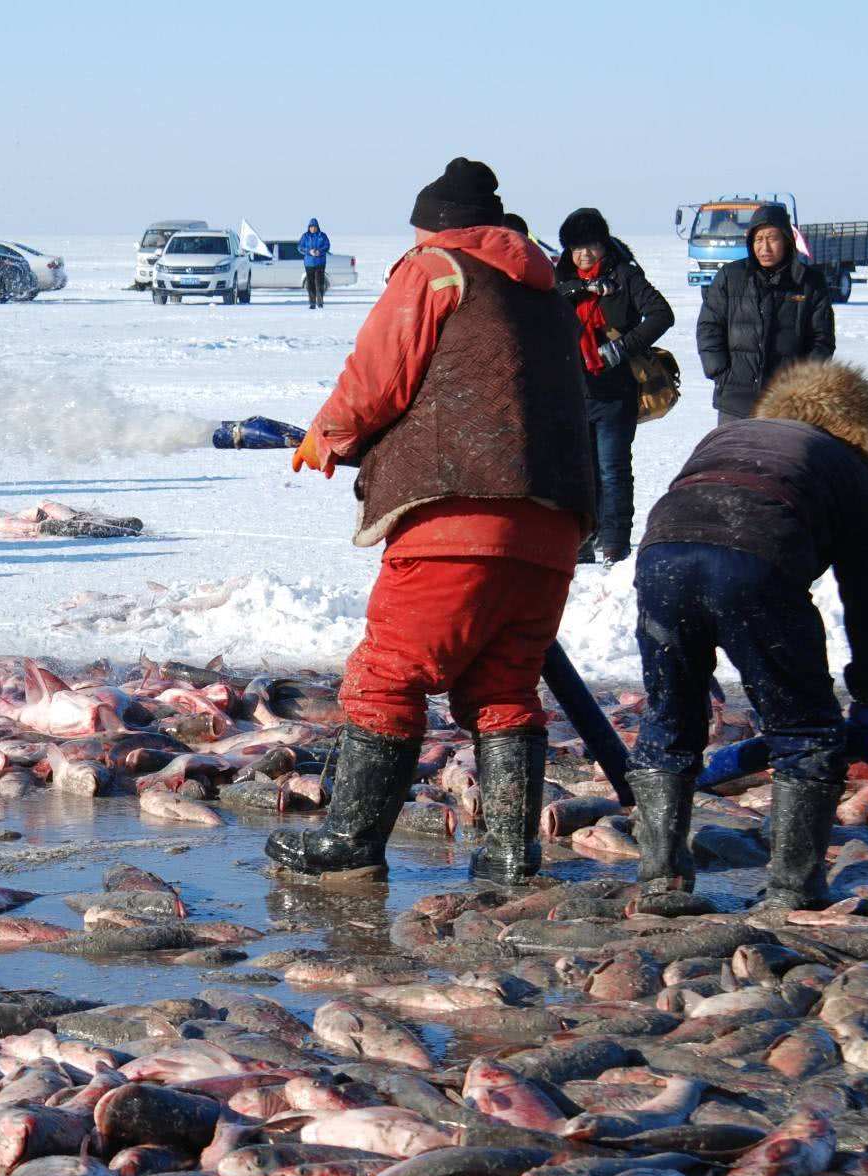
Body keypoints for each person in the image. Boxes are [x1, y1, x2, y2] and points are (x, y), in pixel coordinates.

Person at [266, 158, 594, 886]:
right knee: (505, 687)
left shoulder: (437, 268)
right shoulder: (544, 288)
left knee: (387, 676)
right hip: (554, 523)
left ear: (438, 227)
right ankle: (509, 854)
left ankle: (352, 842)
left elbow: (378, 374)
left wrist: (329, 435)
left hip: (457, 514)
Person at [625, 360, 868, 912]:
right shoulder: (845, 463)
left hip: (662, 555)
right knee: (805, 730)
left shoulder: (729, 434)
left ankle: (661, 881)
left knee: (669, 719)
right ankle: (793, 890)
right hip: (754, 561)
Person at [555, 208, 674, 564]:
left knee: (613, 470)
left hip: (615, 392)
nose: (584, 254)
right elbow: (544, 307)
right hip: (573, 392)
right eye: (577, 247)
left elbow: (662, 314)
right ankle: (582, 543)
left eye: (591, 246)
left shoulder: (624, 276)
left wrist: (622, 348)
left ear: (603, 245)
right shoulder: (561, 279)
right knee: (580, 471)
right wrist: (580, 288)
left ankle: (615, 544)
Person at [695, 204, 835, 423]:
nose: (765, 247)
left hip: (788, 404)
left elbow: (822, 339)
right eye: (758, 239)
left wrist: (803, 382)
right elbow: (709, 328)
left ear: (787, 240)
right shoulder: (730, 277)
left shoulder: (809, 283)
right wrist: (721, 373)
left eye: (772, 238)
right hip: (735, 403)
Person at [298, 219, 331, 309]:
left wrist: (320, 251)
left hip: (320, 263)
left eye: (314, 227)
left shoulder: (322, 235)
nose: (313, 228)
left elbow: (327, 246)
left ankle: (320, 302)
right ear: (309, 227)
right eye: (311, 227)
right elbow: (300, 247)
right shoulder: (305, 236)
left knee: (319, 283)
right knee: (310, 283)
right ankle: (312, 303)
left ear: (317, 227)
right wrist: (309, 251)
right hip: (309, 264)